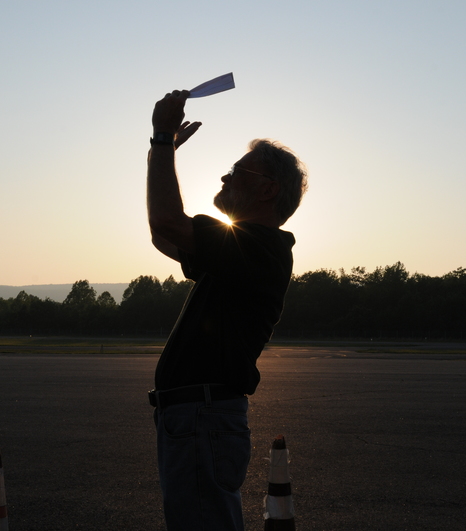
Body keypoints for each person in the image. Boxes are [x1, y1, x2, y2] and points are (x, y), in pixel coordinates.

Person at [146, 89, 308, 531]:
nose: (225, 176)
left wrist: (161, 140)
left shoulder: (258, 248)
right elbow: (163, 235)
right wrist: (159, 154)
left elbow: (166, 222)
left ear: (267, 189)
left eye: (237, 171)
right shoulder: (240, 252)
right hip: (196, 416)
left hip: (203, 416)